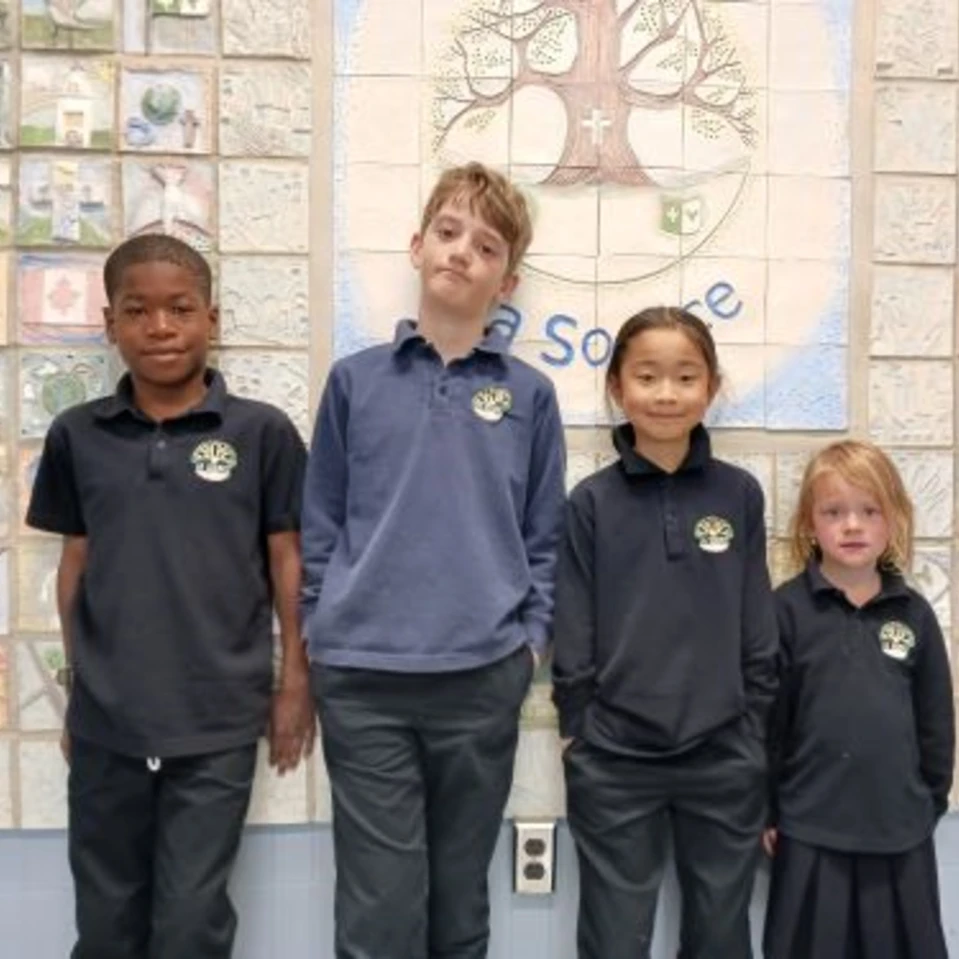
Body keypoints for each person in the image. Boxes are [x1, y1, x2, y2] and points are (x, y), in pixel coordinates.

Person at [301, 162, 566, 958]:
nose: (461, 253)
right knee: (380, 913)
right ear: (417, 246)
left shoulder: (529, 396)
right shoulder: (354, 382)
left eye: (484, 246)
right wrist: (319, 623)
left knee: (458, 909)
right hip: (363, 679)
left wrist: (526, 645)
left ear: (506, 279)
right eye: (447, 233)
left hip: (481, 676)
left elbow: (542, 538)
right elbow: (320, 519)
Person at [26, 233, 314, 959]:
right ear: (109, 322)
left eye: (180, 308)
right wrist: (78, 690)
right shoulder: (76, 435)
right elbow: (73, 570)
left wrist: (294, 684)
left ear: (211, 320)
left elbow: (290, 563)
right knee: (106, 922)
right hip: (108, 724)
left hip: (215, 722)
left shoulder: (261, 433)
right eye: (138, 310)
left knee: (191, 924)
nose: (160, 327)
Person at [552, 305, 777, 959]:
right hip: (615, 759)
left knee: (719, 934)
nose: (665, 393)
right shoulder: (590, 502)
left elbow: (755, 624)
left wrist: (752, 728)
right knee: (614, 936)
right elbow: (574, 624)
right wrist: (579, 727)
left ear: (710, 385)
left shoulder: (738, 495)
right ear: (617, 388)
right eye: (646, 376)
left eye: (684, 376)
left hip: (722, 753)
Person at [763, 440, 954, 959]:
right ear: (809, 523)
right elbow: (767, 723)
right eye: (834, 511)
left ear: (892, 522)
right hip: (809, 828)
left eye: (870, 511)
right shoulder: (785, 612)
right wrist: (768, 810)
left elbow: (936, 722)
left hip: (899, 831)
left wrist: (927, 802)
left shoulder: (913, 615)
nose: (852, 525)